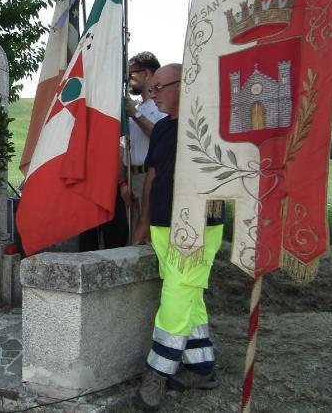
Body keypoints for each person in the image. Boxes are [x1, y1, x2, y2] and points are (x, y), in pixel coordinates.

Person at [131, 64, 225, 411]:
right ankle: (202, 368)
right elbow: (154, 174)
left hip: (200, 223)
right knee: (188, 295)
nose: (151, 95)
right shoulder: (161, 130)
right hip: (161, 223)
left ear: (182, 85)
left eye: (158, 88)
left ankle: (157, 373)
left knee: (176, 294)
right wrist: (143, 221)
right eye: (150, 88)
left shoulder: (210, 124)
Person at [124, 52, 166, 235]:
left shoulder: (161, 107)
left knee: (147, 235)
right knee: (133, 233)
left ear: (147, 74)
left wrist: (135, 115)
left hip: (149, 177)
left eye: (131, 74)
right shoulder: (138, 108)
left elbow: (160, 136)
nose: (128, 79)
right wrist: (123, 182)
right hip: (132, 177)